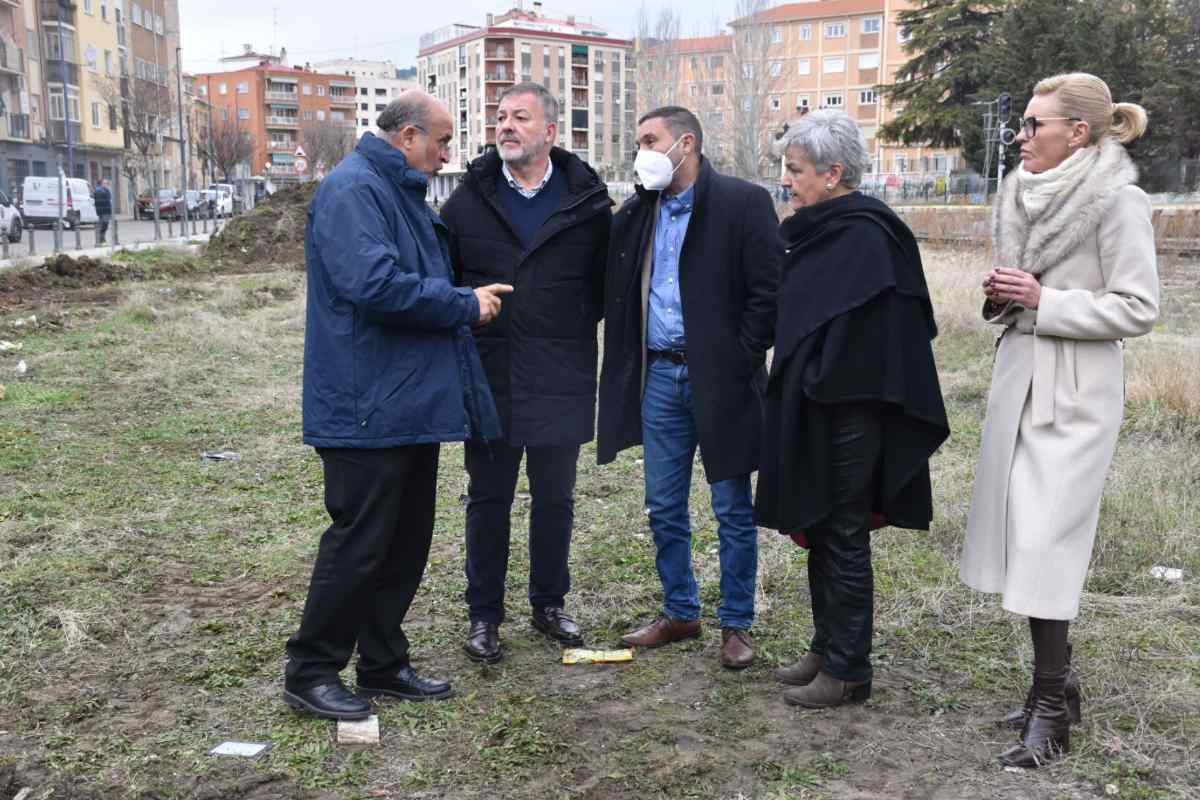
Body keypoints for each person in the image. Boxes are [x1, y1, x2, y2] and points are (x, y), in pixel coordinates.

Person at [283, 92, 513, 721]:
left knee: (405, 541)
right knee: (359, 543)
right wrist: (464, 303)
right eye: (441, 142)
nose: (446, 156)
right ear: (408, 136)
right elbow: (374, 285)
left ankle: (382, 662)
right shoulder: (354, 191)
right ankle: (310, 670)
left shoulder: (395, 190)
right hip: (365, 405)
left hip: (406, 402)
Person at [961, 73, 1159, 767]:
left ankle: (1050, 707)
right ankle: (1060, 683)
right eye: (1022, 122)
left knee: (1047, 543)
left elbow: (1138, 308)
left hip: (1076, 391)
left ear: (1078, 132)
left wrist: (1048, 300)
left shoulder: (1119, 201)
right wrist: (1007, 298)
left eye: (1034, 124)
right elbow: (1025, 294)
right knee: (1019, 537)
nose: (1020, 135)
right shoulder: (1021, 192)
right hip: (1020, 375)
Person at [755, 110, 949, 709]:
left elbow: (888, 338)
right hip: (813, 405)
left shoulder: (870, 233)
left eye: (796, 170)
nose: (788, 182)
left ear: (834, 172)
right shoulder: (817, 228)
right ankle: (825, 647)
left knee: (843, 532)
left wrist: (820, 377)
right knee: (817, 524)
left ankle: (849, 670)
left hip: (851, 412)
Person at [597, 106, 779, 669]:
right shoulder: (639, 211)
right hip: (660, 376)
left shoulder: (742, 203)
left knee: (731, 505)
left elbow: (768, 292)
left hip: (721, 380)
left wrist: (738, 356)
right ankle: (681, 611)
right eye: (638, 142)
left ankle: (737, 624)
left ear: (687, 144)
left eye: (650, 140)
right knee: (663, 504)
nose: (641, 152)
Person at [440, 82, 612, 663]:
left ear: (550, 132)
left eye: (520, 117)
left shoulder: (587, 203)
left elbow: (603, 287)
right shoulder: (467, 201)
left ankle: (549, 604)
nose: (506, 126)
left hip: (562, 369)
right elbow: (446, 282)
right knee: (488, 499)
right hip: (491, 375)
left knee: (555, 498)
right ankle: (484, 615)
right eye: (500, 117)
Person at [94, 179, 112, 244]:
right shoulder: (99, 191)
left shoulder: (105, 190)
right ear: (101, 184)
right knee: (104, 225)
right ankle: (101, 240)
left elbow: (108, 199)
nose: (107, 184)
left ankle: (102, 239)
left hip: (106, 210)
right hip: (104, 211)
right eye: (105, 183)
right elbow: (100, 202)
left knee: (104, 225)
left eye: (107, 183)